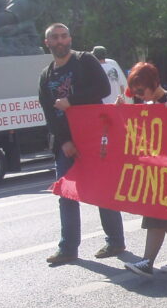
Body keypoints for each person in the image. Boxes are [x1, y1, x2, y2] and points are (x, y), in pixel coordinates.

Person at [38, 23, 126, 264]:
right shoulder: (46, 75)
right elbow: (48, 111)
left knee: (100, 189)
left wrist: (71, 101)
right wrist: (64, 141)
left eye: (63, 36)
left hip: (92, 138)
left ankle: (115, 241)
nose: (60, 41)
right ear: (47, 43)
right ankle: (68, 248)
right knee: (66, 195)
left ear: (70, 38)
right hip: (65, 145)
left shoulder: (85, 60)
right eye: (54, 37)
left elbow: (102, 88)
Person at [118, 62, 167, 277]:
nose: (139, 96)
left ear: (154, 83)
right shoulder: (153, 104)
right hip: (159, 171)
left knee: (157, 214)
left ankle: (147, 261)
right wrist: (122, 112)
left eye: (141, 90)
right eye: (135, 92)